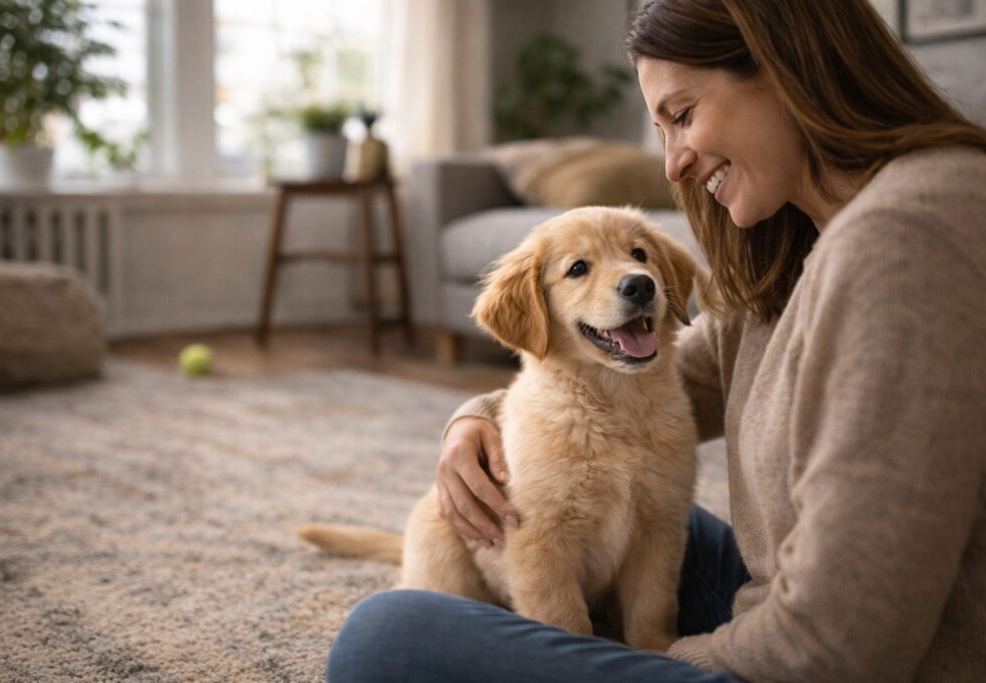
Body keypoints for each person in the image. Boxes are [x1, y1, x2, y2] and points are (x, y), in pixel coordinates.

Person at [327, 1, 986, 680]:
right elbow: (658, 379)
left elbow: (845, 641)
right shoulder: (804, 239)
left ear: (785, 68)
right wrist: (476, 418)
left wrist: (658, 659)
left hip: (856, 660)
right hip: (798, 592)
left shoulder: (904, 237)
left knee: (385, 637)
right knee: (618, 505)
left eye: (682, 115)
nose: (673, 164)